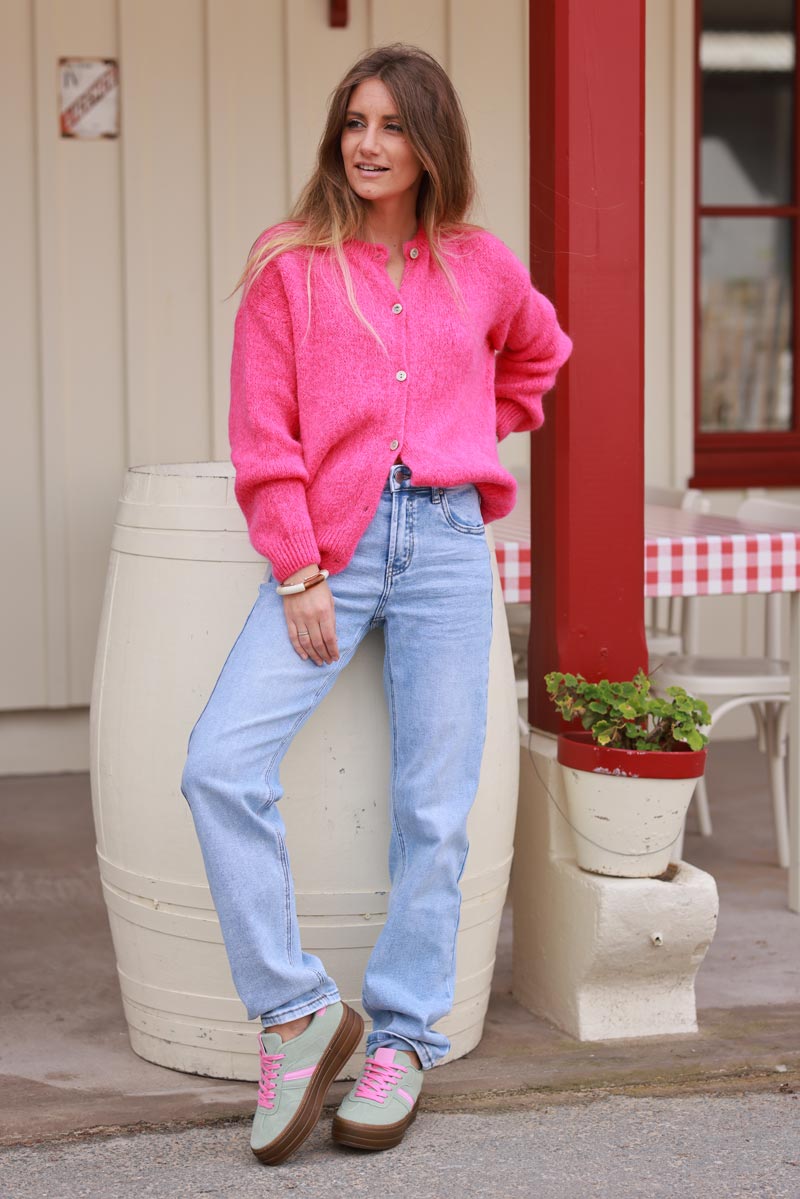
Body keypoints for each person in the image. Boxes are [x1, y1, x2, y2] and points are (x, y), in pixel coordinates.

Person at [180, 42, 572, 1166]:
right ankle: (296, 1007)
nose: (367, 143)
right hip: (333, 549)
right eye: (355, 121)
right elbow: (263, 434)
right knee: (218, 761)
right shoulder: (290, 264)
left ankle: (401, 1035)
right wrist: (299, 569)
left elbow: (538, 356)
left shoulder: (481, 266)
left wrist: (468, 430)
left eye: (393, 125)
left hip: (447, 543)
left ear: (430, 142)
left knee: (433, 809)